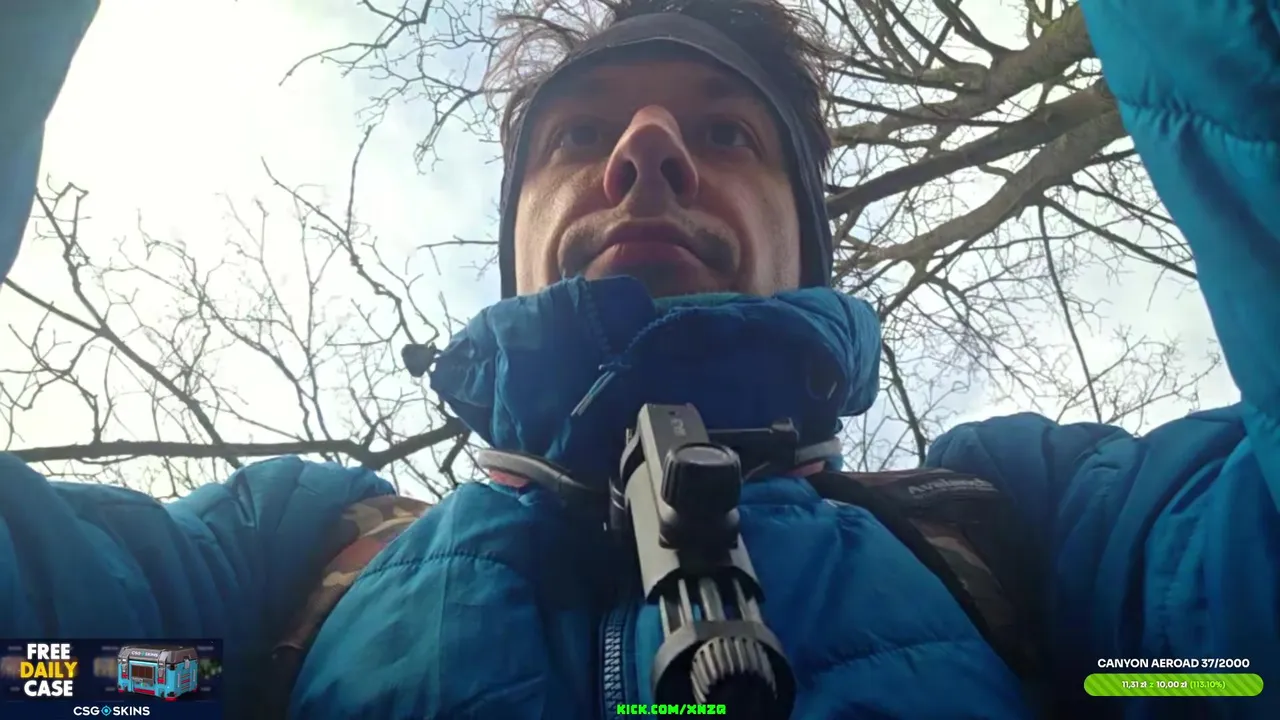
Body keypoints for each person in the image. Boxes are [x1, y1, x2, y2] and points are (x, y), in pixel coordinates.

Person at [1, 0, 1276, 718]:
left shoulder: (1022, 537)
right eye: (577, 137)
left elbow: (1237, 664)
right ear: (513, 250)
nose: (647, 149)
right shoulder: (287, 563)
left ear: (805, 246)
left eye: (725, 134)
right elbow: (41, 674)